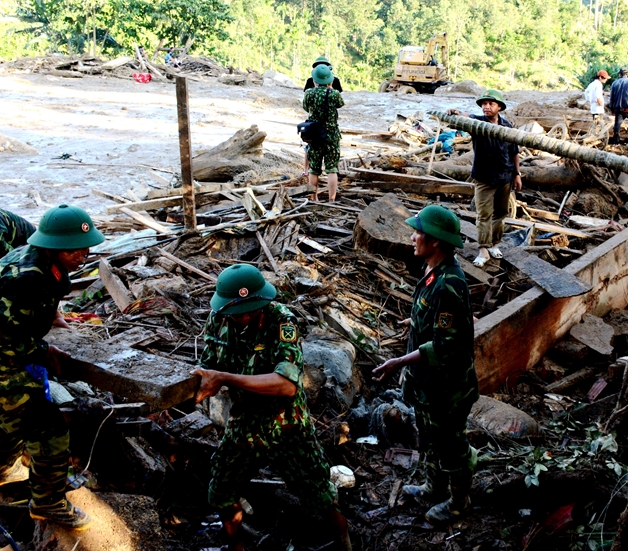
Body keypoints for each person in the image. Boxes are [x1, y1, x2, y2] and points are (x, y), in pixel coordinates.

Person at [0, 204, 105, 529]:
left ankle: (2, 471)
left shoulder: (44, 262)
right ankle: (48, 503)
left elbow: (36, 311)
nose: (83, 254)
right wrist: (44, 352)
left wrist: (49, 329)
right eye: (75, 249)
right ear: (53, 245)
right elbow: (0, 344)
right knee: (47, 425)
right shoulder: (29, 278)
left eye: (86, 247)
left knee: (12, 411)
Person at [191, 264, 351, 551]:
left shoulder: (282, 322)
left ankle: (345, 543)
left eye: (253, 308)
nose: (246, 316)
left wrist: (226, 378)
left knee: (319, 494)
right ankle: (236, 547)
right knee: (220, 491)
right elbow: (208, 367)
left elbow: (287, 384)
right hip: (244, 425)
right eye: (238, 312)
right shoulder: (218, 321)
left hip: (287, 426)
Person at [372, 205, 478, 524]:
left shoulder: (449, 283)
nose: (412, 236)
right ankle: (434, 487)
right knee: (430, 436)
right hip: (428, 382)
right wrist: (416, 321)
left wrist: (399, 361)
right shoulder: (433, 270)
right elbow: (437, 319)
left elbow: (446, 343)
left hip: (448, 386)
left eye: (418, 232)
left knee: (450, 445)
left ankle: (459, 502)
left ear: (434, 241)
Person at [447, 89, 520, 267]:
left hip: (505, 176)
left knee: (501, 213)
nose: (486, 107)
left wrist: (517, 174)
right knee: (483, 214)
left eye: (491, 104)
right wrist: (456, 112)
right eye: (484, 104)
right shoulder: (477, 123)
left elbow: (514, 152)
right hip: (484, 177)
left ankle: (495, 244)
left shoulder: (507, 127)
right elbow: (467, 116)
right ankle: (483, 250)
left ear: (499, 107)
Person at [302, 64, 344, 202]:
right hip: (331, 135)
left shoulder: (309, 93)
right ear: (330, 81)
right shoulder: (334, 94)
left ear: (314, 80)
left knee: (314, 169)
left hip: (314, 135)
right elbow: (340, 104)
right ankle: (332, 200)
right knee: (332, 169)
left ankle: (313, 198)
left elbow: (305, 107)